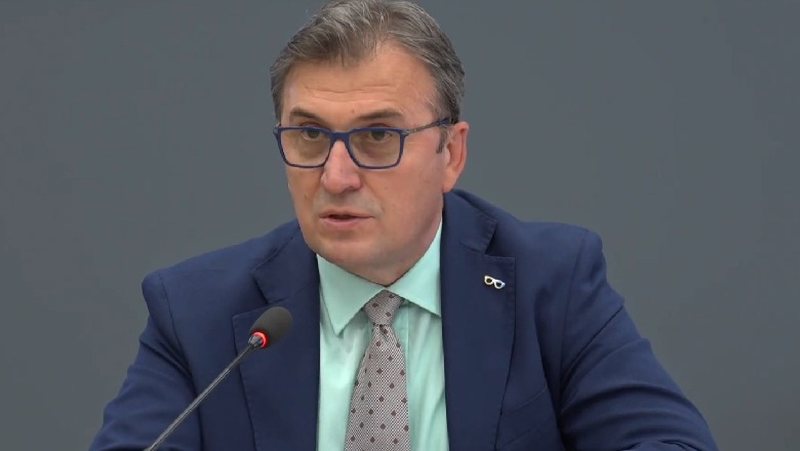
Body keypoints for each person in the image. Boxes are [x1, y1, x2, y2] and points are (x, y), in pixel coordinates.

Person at [90, 1, 718, 450]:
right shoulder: (196, 312)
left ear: (451, 154)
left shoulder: (550, 283)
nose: (336, 176)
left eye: (377, 137)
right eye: (310, 135)